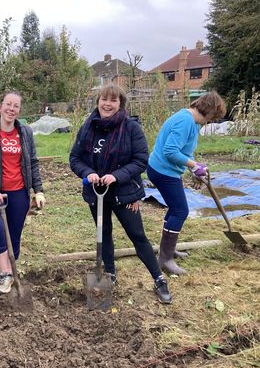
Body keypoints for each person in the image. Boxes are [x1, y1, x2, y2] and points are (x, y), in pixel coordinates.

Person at [69, 83, 171, 304]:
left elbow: (141, 160)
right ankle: (110, 274)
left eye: (113, 100)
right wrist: (89, 173)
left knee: (137, 236)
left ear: (120, 104)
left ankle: (159, 279)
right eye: (104, 99)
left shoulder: (131, 128)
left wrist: (116, 176)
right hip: (96, 192)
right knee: (103, 234)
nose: (107, 104)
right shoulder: (88, 126)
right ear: (98, 101)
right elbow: (75, 159)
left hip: (124, 193)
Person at [0, 91, 45, 294]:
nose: (11, 109)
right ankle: (5, 274)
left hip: (19, 193)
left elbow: (32, 163)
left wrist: (38, 190)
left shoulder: (25, 133)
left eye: (15, 106)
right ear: (0, 106)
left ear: (19, 110)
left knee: (14, 236)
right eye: (8, 104)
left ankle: (11, 272)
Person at [147, 91, 226, 275]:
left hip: (166, 170)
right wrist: (195, 165)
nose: (211, 122)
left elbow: (186, 151)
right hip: (162, 171)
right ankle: (165, 259)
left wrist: (193, 170)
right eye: (213, 118)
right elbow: (171, 152)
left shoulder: (193, 123)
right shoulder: (185, 121)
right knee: (181, 210)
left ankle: (167, 250)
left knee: (175, 210)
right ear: (209, 111)